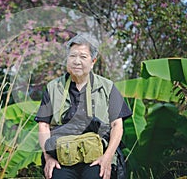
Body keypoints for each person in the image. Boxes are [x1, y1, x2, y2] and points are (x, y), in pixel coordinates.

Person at [34, 34, 132, 179]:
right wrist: (48, 159)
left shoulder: (107, 87)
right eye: (73, 56)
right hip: (62, 158)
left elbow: (117, 125)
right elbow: (44, 126)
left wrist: (107, 158)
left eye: (83, 57)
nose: (77, 61)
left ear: (93, 61)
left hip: (98, 156)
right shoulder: (53, 87)